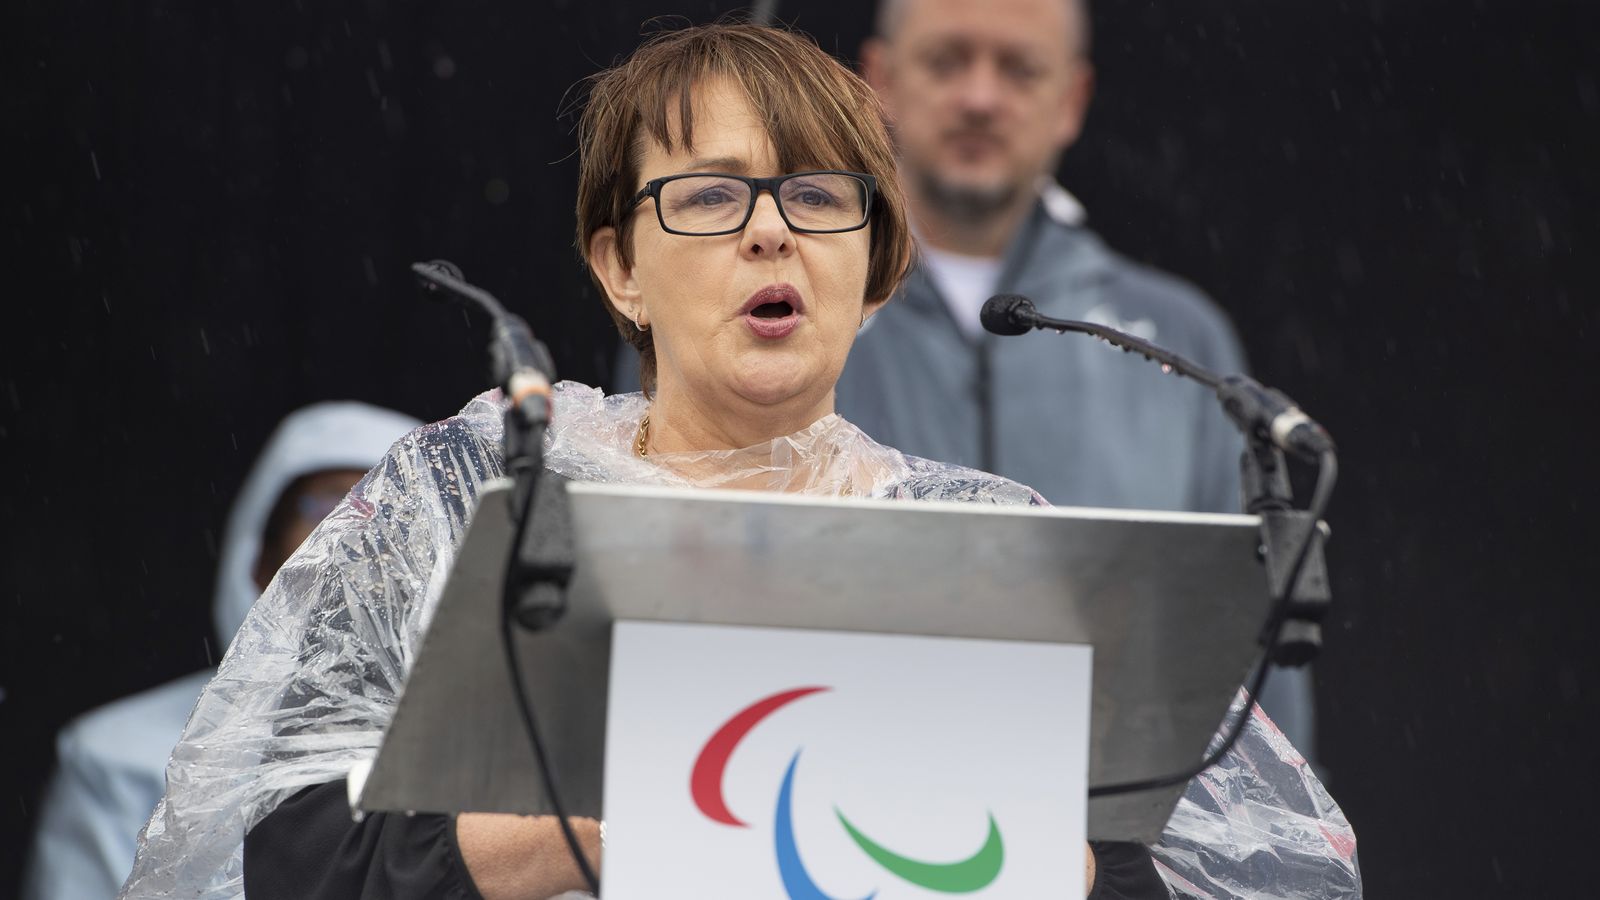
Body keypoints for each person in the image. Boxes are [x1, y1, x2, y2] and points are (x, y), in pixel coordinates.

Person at [120, 24, 1358, 900]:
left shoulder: (998, 553)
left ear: (875, 270)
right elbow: (286, 859)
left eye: (818, 197)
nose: (771, 230)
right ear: (619, 267)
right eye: (710, 198)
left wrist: (1004, 845)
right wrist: (622, 822)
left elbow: (1175, 875)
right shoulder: (466, 511)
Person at [832, 0, 1319, 761]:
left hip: (1116, 821)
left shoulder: (1180, 338)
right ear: (878, 82)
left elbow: (1250, 645)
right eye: (946, 61)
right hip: (832, 788)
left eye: (1020, 69)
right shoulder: (779, 311)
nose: (980, 97)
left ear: (1072, 100)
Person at [22, 402, 421, 899]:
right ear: (259, 556)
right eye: (331, 505)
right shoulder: (116, 755)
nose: (359, 534)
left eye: (395, 512)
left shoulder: (464, 751)